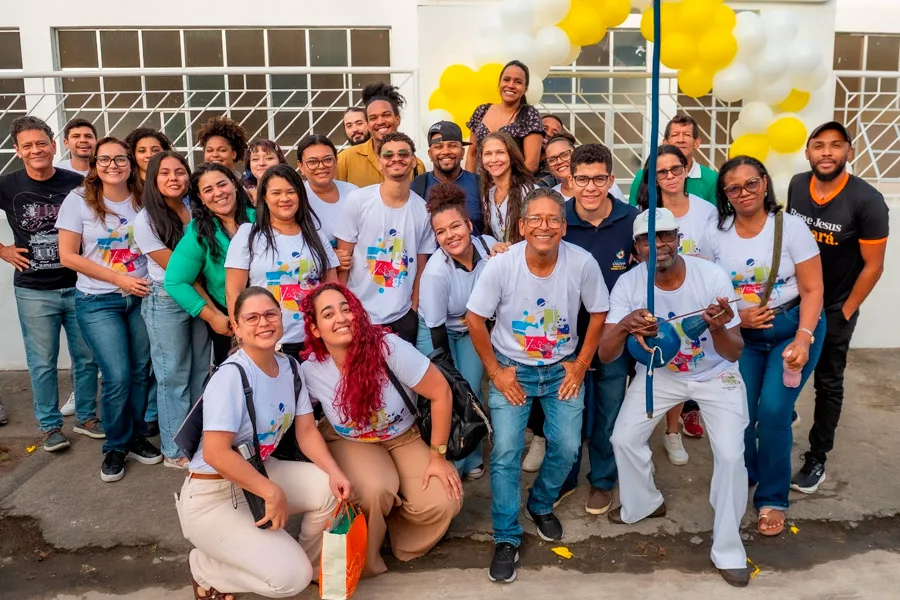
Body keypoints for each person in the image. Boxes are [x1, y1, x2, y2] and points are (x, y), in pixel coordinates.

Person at [601, 208, 750, 588]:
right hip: (661, 375)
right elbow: (605, 354)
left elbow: (734, 352)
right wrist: (623, 326)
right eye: (648, 238)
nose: (659, 244)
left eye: (666, 235)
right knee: (624, 438)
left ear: (678, 238)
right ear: (637, 248)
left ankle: (729, 549)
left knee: (732, 456)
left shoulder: (710, 276)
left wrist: (718, 328)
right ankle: (644, 503)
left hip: (717, 376)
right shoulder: (629, 285)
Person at [466, 188, 609, 584]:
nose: (544, 226)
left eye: (553, 219)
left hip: (562, 368)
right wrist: (496, 372)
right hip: (514, 369)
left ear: (564, 227)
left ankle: (541, 503)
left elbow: (599, 313)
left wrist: (580, 364)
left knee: (565, 448)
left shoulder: (582, 263)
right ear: (522, 226)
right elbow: (475, 319)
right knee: (507, 452)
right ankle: (506, 537)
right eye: (536, 220)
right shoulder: (502, 266)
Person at [177, 286, 350, 600]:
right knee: (288, 580)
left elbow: (307, 432)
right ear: (238, 329)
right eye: (252, 318)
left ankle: (309, 567)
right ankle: (205, 568)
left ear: (281, 319)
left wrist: (335, 472)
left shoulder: (290, 368)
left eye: (270, 314)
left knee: (329, 489)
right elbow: (216, 453)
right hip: (213, 495)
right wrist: (270, 490)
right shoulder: (231, 376)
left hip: (258, 472)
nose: (264, 323)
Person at [299, 282, 462, 577]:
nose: (341, 318)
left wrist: (437, 457)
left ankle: (395, 533)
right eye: (328, 314)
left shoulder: (389, 348)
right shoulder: (311, 369)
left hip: (403, 435)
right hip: (350, 440)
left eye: (346, 309)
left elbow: (441, 393)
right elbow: (304, 424)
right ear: (315, 330)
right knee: (375, 489)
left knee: (445, 499)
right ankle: (366, 558)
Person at [706, 156, 825, 536]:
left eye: (751, 183)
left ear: (764, 183)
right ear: (725, 195)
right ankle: (751, 470)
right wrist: (739, 318)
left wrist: (804, 338)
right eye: (734, 188)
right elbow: (709, 291)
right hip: (744, 338)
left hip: (792, 328)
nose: (744, 193)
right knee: (739, 409)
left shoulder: (789, 228)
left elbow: (812, 289)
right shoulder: (716, 232)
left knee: (773, 411)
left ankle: (772, 497)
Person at [787, 121, 890, 494]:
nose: (826, 152)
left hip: (834, 307)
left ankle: (817, 457)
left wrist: (846, 311)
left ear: (850, 151)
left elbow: (874, 266)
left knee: (829, 382)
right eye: (818, 145)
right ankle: (786, 413)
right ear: (808, 152)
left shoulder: (867, 200)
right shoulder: (798, 185)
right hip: (795, 301)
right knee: (787, 364)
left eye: (835, 145)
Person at [56, 136, 159, 482]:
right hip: (99, 300)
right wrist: (120, 281)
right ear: (94, 164)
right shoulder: (79, 201)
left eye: (119, 159)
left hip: (142, 297)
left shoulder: (145, 198)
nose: (112, 166)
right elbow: (68, 256)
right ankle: (115, 445)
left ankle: (135, 437)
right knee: (116, 375)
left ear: (130, 163)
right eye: (105, 160)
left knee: (140, 372)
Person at [0, 116, 100, 450]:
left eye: (41, 143)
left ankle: (86, 417)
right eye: (27, 145)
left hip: (79, 285)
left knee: (85, 358)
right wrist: (3, 250)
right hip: (32, 289)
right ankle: (49, 426)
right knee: (42, 362)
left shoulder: (78, 182)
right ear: (17, 151)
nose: (35, 150)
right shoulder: (7, 184)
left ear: (53, 145)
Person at [555, 144, 639, 514]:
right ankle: (565, 475)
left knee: (609, 408)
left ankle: (603, 480)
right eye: (583, 179)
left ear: (611, 179)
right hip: (567, 335)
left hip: (613, 336)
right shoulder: (557, 219)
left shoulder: (631, 220)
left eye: (599, 179)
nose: (591, 187)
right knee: (568, 411)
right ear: (570, 181)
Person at [636, 144, 719, 456]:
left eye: (676, 169)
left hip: (696, 300)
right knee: (661, 363)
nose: (670, 176)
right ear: (654, 178)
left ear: (687, 171)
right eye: (662, 172)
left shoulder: (705, 211)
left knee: (688, 362)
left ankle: (673, 432)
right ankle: (647, 429)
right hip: (659, 297)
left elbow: (714, 256)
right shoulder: (646, 213)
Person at [416, 182, 499, 480]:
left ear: (469, 224)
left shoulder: (490, 248)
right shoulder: (437, 272)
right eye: (441, 232)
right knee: (450, 393)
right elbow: (437, 331)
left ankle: (471, 453)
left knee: (474, 391)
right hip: (437, 331)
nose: (450, 236)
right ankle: (451, 461)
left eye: (455, 226)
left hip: (470, 328)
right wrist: (451, 375)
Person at [133, 151, 211, 470]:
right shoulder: (146, 219)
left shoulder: (196, 207)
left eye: (180, 172)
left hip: (200, 293)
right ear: (153, 179)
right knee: (172, 375)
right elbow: (177, 270)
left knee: (198, 373)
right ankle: (173, 449)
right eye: (164, 173)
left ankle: (196, 440)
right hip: (167, 297)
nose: (173, 178)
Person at [225, 164, 339, 359]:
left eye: (291, 192)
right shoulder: (248, 235)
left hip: (314, 341)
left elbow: (332, 287)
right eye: (276, 193)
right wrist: (243, 335)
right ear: (264, 198)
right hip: (269, 342)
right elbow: (234, 291)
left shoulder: (316, 237)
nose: (284, 199)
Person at [334, 132, 436, 345]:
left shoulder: (424, 211)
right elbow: (343, 260)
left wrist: (413, 310)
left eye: (403, 154)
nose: (396, 159)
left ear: (413, 162)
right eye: (388, 155)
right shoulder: (358, 201)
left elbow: (421, 267)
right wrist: (343, 308)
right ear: (380, 162)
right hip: (359, 313)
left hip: (402, 316)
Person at [165, 163, 255, 366]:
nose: (218, 193)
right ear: (201, 198)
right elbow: (175, 281)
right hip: (230, 321)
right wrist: (213, 317)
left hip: (274, 312)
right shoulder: (200, 231)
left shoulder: (261, 216)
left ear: (233, 184)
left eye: (222, 184)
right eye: (208, 190)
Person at [336, 82, 425, 188]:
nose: (380, 122)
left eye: (386, 115)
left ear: (398, 119)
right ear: (368, 124)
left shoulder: (415, 166)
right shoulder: (346, 159)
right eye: (373, 118)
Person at [466, 60, 543, 174]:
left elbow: (531, 163)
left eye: (518, 82)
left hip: (513, 186)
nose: (510, 85)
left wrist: (505, 186)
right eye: (506, 80)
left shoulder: (529, 115)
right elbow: (472, 154)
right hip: (480, 185)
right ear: (499, 83)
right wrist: (471, 185)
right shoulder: (482, 111)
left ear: (525, 88)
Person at [628, 114, 718, 206]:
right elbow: (633, 212)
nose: (681, 140)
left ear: (696, 142)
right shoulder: (645, 176)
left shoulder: (712, 179)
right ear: (665, 143)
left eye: (687, 135)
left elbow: (718, 216)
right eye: (675, 135)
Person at [411, 121, 483, 233]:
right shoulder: (417, 186)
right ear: (430, 154)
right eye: (438, 147)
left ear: (463, 152)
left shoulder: (479, 184)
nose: (446, 151)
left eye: (453, 146)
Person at [297, 134, 358, 248]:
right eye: (312, 162)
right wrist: (331, 257)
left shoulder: (354, 192)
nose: (321, 166)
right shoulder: (296, 198)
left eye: (327, 159)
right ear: (301, 166)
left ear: (336, 160)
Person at [478, 130, 538, 243]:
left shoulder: (531, 192)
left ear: (511, 157)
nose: (494, 159)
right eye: (488, 154)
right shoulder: (488, 195)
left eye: (500, 152)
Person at [546, 134, 626, 203]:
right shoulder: (551, 196)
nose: (559, 161)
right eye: (552, 159)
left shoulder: (604, 183)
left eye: (564, 155)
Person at [242, 139, 287, 206]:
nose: (262, 163)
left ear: (280, 162)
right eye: (255, 159)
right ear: (249, 165)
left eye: (269, 158)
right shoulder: (243, 195)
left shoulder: (293, 191)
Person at [534, 114, 565, 187]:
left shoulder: (554, 170)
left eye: (554, 133)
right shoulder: (518, 156)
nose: (548, 134)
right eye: (544, 128)